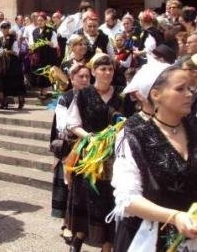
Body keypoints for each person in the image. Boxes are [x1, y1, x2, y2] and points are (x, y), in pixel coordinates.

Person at [110, 65, 197, 251]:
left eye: (190, 88)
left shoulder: (194, 130)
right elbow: (127, 199)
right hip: (150, 239)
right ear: (156, 94)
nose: (189, 94)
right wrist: (174, 217)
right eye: (180, 89)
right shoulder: (134, 136)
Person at [67, 53, 129, 252]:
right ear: (93, 72)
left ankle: (107, 245)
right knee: (87, 197)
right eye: (103, 69)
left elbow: (131, 122)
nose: (107, 72)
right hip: (90, 155)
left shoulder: (122, 95)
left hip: (115, 155)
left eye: (110, 69)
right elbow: (73, 123)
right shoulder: (83, 95)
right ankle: (78, 239)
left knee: (111, 198)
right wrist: (90, 137)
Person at [49, 64, 90, 244]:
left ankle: (83, 224)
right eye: (80, 76)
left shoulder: (92, 97)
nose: (85, 80)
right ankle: (67, 225)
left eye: (87, 77)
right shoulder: (65, 99)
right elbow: (62, 125)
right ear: (72, 79)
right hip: (71, 147)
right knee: (69, 188)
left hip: (91, 148)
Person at [32, 12, 59, 99]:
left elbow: (55, 44)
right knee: (39, 73)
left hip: (47, 56)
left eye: (41, 20)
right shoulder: (35, 31)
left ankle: (44, 93)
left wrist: (47, 42)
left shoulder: (51, 31)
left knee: (46, 73)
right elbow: (33, 42)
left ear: (45, 21)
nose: (39, 22)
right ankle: (41, 92)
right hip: (38, 56)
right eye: (38, 20)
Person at [1, 21, 25, 108]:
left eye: (6, 27)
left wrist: (8, 51)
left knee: (17, 82)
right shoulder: (1, 38)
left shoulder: (13, 38)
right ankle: (6, 102)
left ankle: (21, 101)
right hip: (6, 63)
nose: (5, 29)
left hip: (13, 63)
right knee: (6, 82)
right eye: (3, 28)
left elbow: (16, 52)